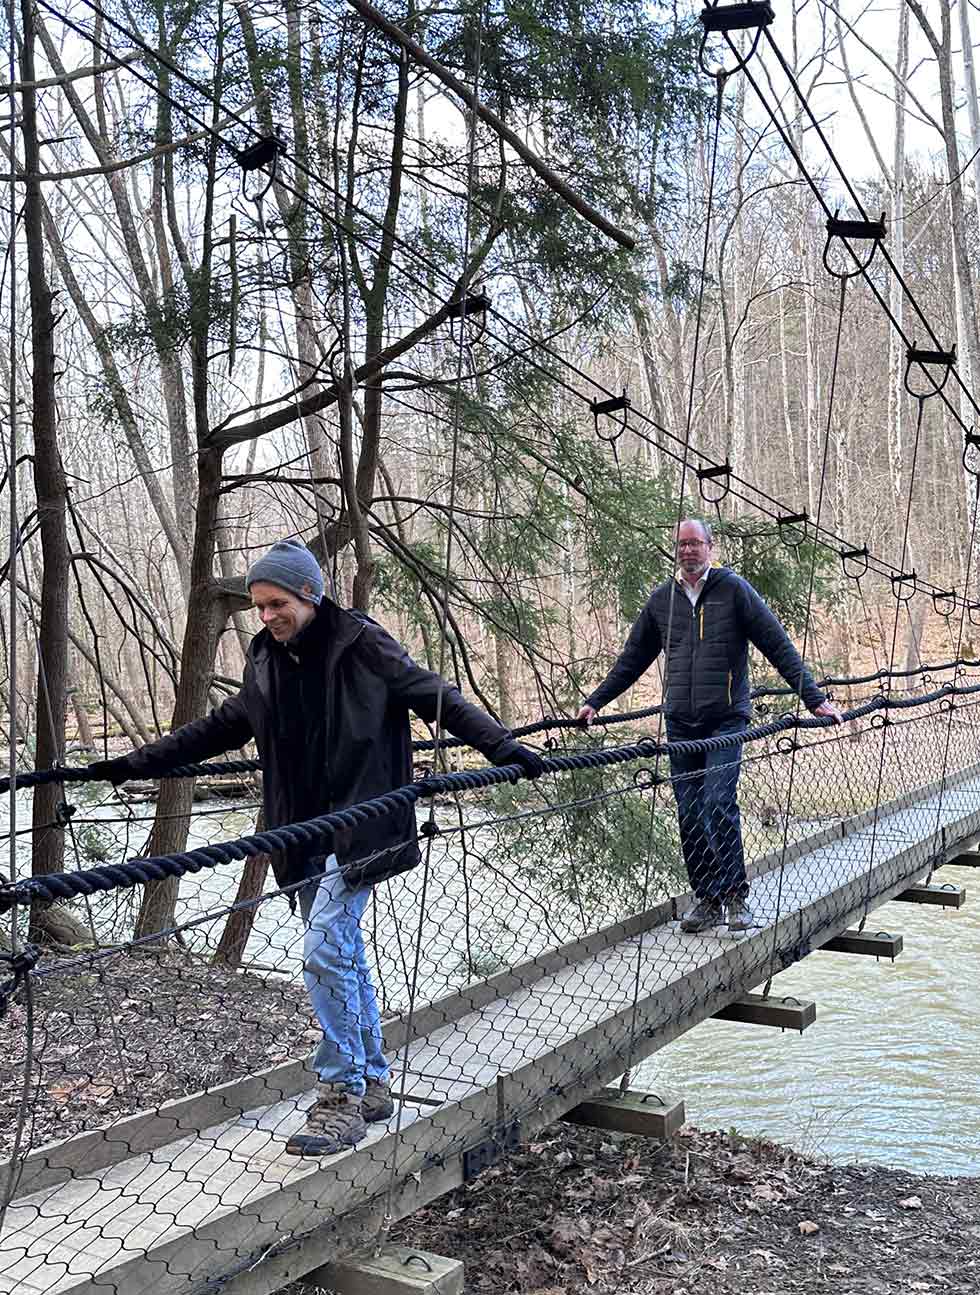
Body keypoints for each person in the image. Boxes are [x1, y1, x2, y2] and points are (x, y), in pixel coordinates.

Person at [89, 539, 545, 1156]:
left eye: (277, 603)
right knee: (343, 954)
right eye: (258, 606)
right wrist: (129, 765)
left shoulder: (362, 645)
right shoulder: (266, 663)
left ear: (310, 594)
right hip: (298, 836)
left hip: (359, 828)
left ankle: (340, 1096)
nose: (267, 616)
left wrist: (505, 750)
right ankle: (375, 1080)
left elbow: (438, 696)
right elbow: (216, 730)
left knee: (323, 953)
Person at [576, 519, 842, 934]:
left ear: (710, 547)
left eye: (695, 544)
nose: (688, 551)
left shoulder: (734, 590)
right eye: (682, 544)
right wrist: (596, 701)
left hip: (726, 720)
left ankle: (736, 897)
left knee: (718, 802)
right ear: (676, 550)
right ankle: (708, 899)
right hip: (680, 723)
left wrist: (814, 698)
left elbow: (777, 644)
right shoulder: (662, 599)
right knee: (689, 813)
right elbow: (632, 659)